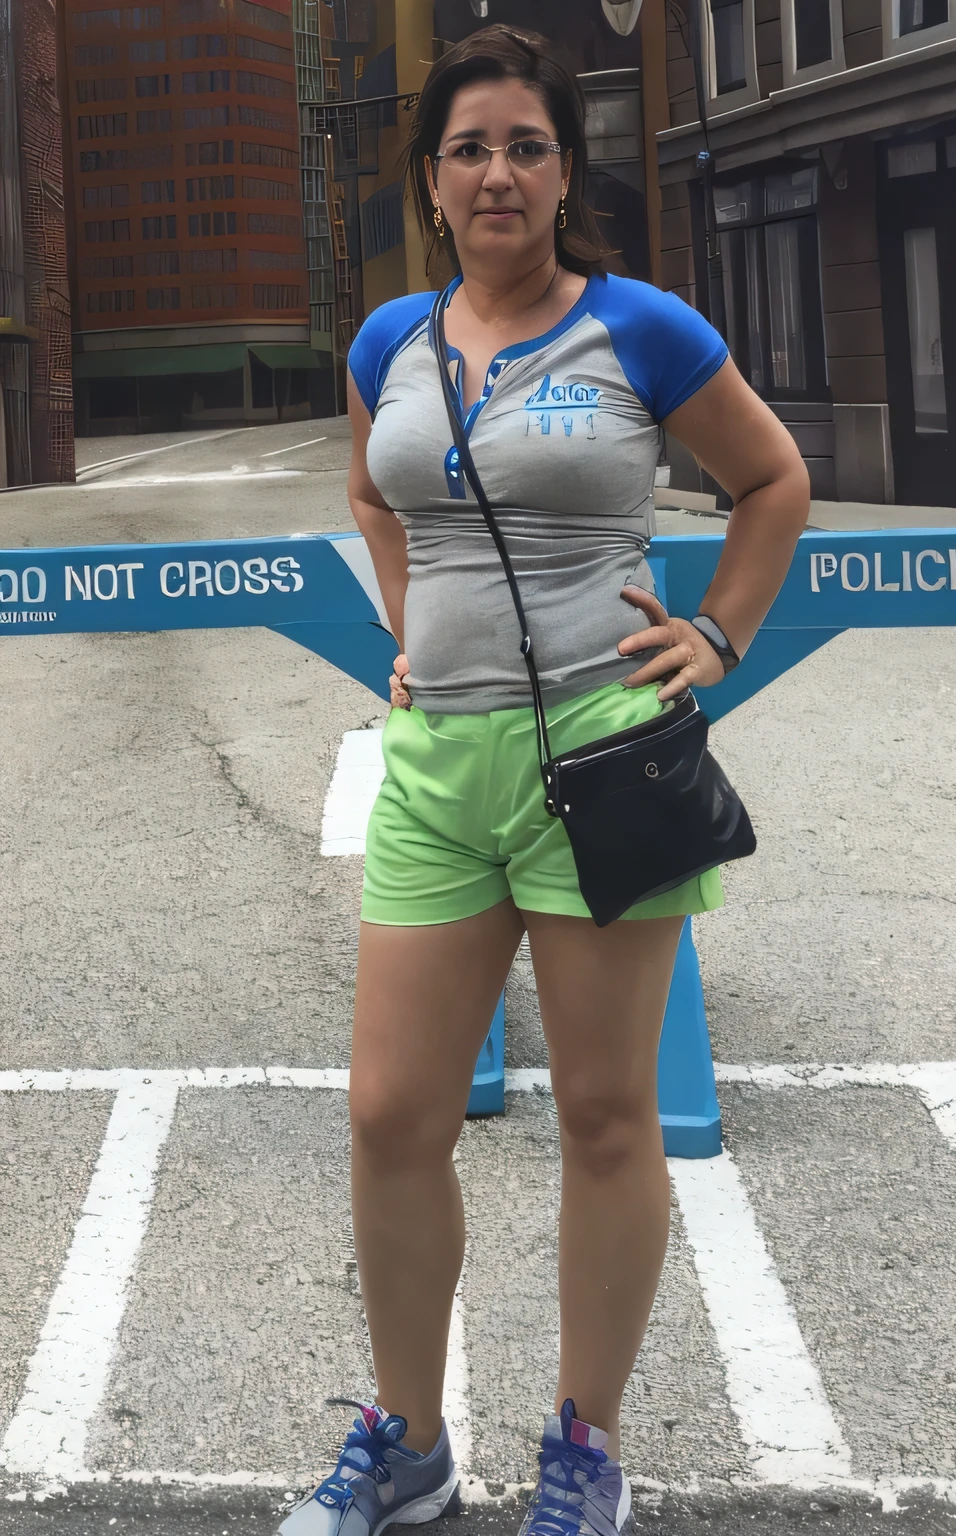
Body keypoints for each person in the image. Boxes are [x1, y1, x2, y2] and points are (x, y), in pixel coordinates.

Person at [279, 23, 808, 1536]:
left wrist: (716, 631)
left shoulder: (638, 328)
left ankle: (585, 1446)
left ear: (564, 172)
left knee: (602, 1115)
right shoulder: (388, 341)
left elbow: (773, 479)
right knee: (390, 1113)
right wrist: (404, 626)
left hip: (604, 749)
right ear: (431, 182)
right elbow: (374, 489)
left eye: (526, 145)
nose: (498, 173)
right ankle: (410, 1443)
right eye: (470, 149)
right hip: (441, 758)